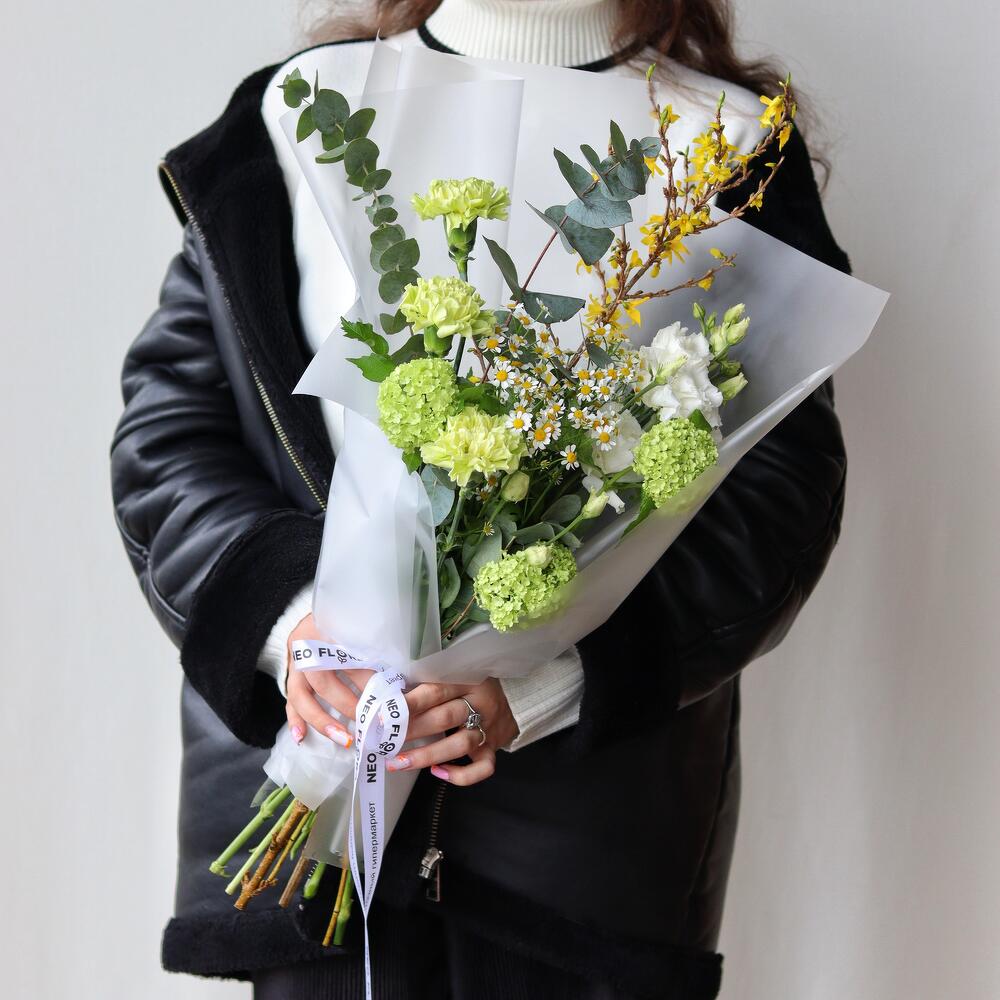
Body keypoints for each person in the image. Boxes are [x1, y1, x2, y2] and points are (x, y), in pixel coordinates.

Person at [111, 1, 850, 997]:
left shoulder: (730, 144)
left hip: (582, 861)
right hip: (316, 816)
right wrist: (294, 626)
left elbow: (778, 499)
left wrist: (545, 684)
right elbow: (170, 432)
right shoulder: (300, 108)